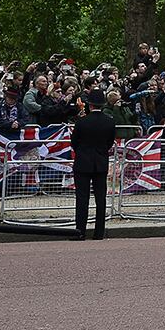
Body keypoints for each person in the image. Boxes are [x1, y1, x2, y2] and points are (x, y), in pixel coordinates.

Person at [69, 88, 117, 240]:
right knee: (100, 198)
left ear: (90, 105)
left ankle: (80, 232)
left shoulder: (81, 122)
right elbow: (109, 142)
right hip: (100, 162)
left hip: (83, 162)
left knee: (82, 198)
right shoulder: (109, 122)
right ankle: (99, 232)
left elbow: (74, 143)